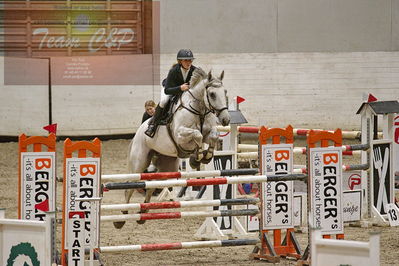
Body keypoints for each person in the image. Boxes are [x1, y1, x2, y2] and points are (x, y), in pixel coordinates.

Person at [145, 49, 197, 137]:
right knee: (164, 101)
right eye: (186, 60)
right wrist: (180, 88)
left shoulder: (194, 70)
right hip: (170, 88)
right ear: (180, 61)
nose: (189, 62)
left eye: (190, 60)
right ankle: (153, 124)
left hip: (184, 91)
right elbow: (167, 90)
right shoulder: (173, 71)